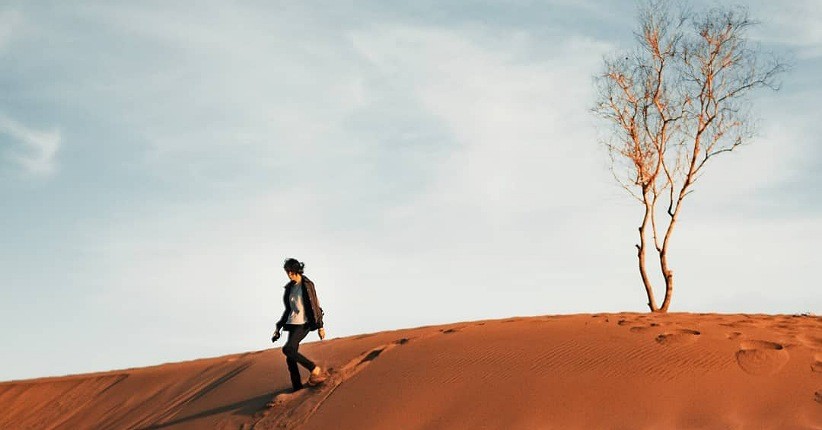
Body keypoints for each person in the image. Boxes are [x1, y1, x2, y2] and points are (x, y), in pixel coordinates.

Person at [272, 258, 327, 391]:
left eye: (290, 271)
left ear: (295, 271)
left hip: (304, 323)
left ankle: (314, 369)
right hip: (293, 323)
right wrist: (278, 328)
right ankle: (297, 388)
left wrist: (320, 326)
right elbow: (288, 310)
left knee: (288, 349)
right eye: (287, 272)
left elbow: (315, 304)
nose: (288, 274)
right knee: (290, 358)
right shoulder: (290, 288)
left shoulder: (307, 285)